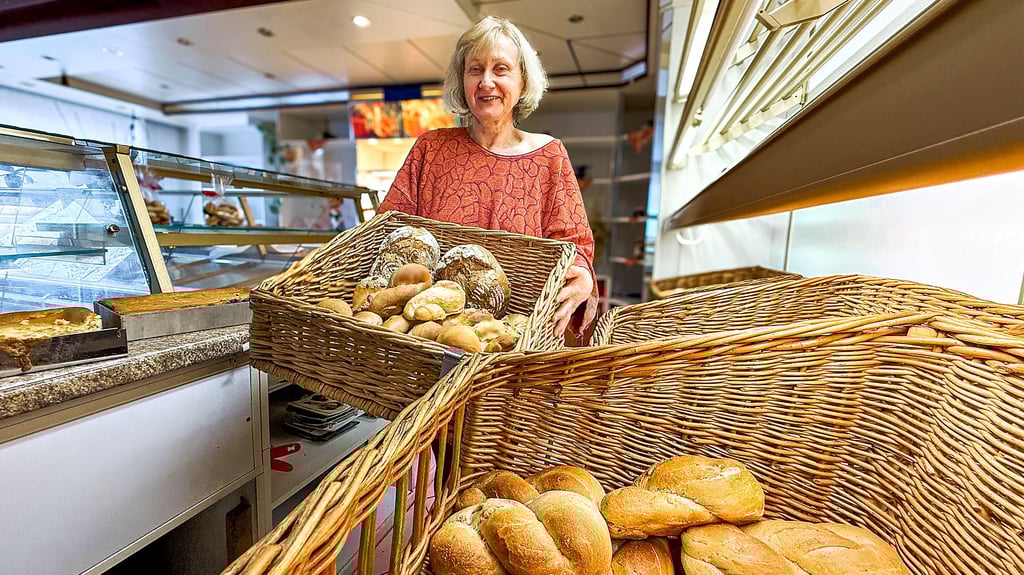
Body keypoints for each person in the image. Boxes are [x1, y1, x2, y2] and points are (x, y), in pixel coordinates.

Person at [377, 15, 597, 342]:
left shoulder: (550, 156)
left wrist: (583, 277)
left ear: (522, 81)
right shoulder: (431, 148)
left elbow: (574, 243)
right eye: (475, 69)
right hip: (433, 337)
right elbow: (390, 228)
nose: (486, 82)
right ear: (461, 81)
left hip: (515, 338)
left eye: (501, 69)